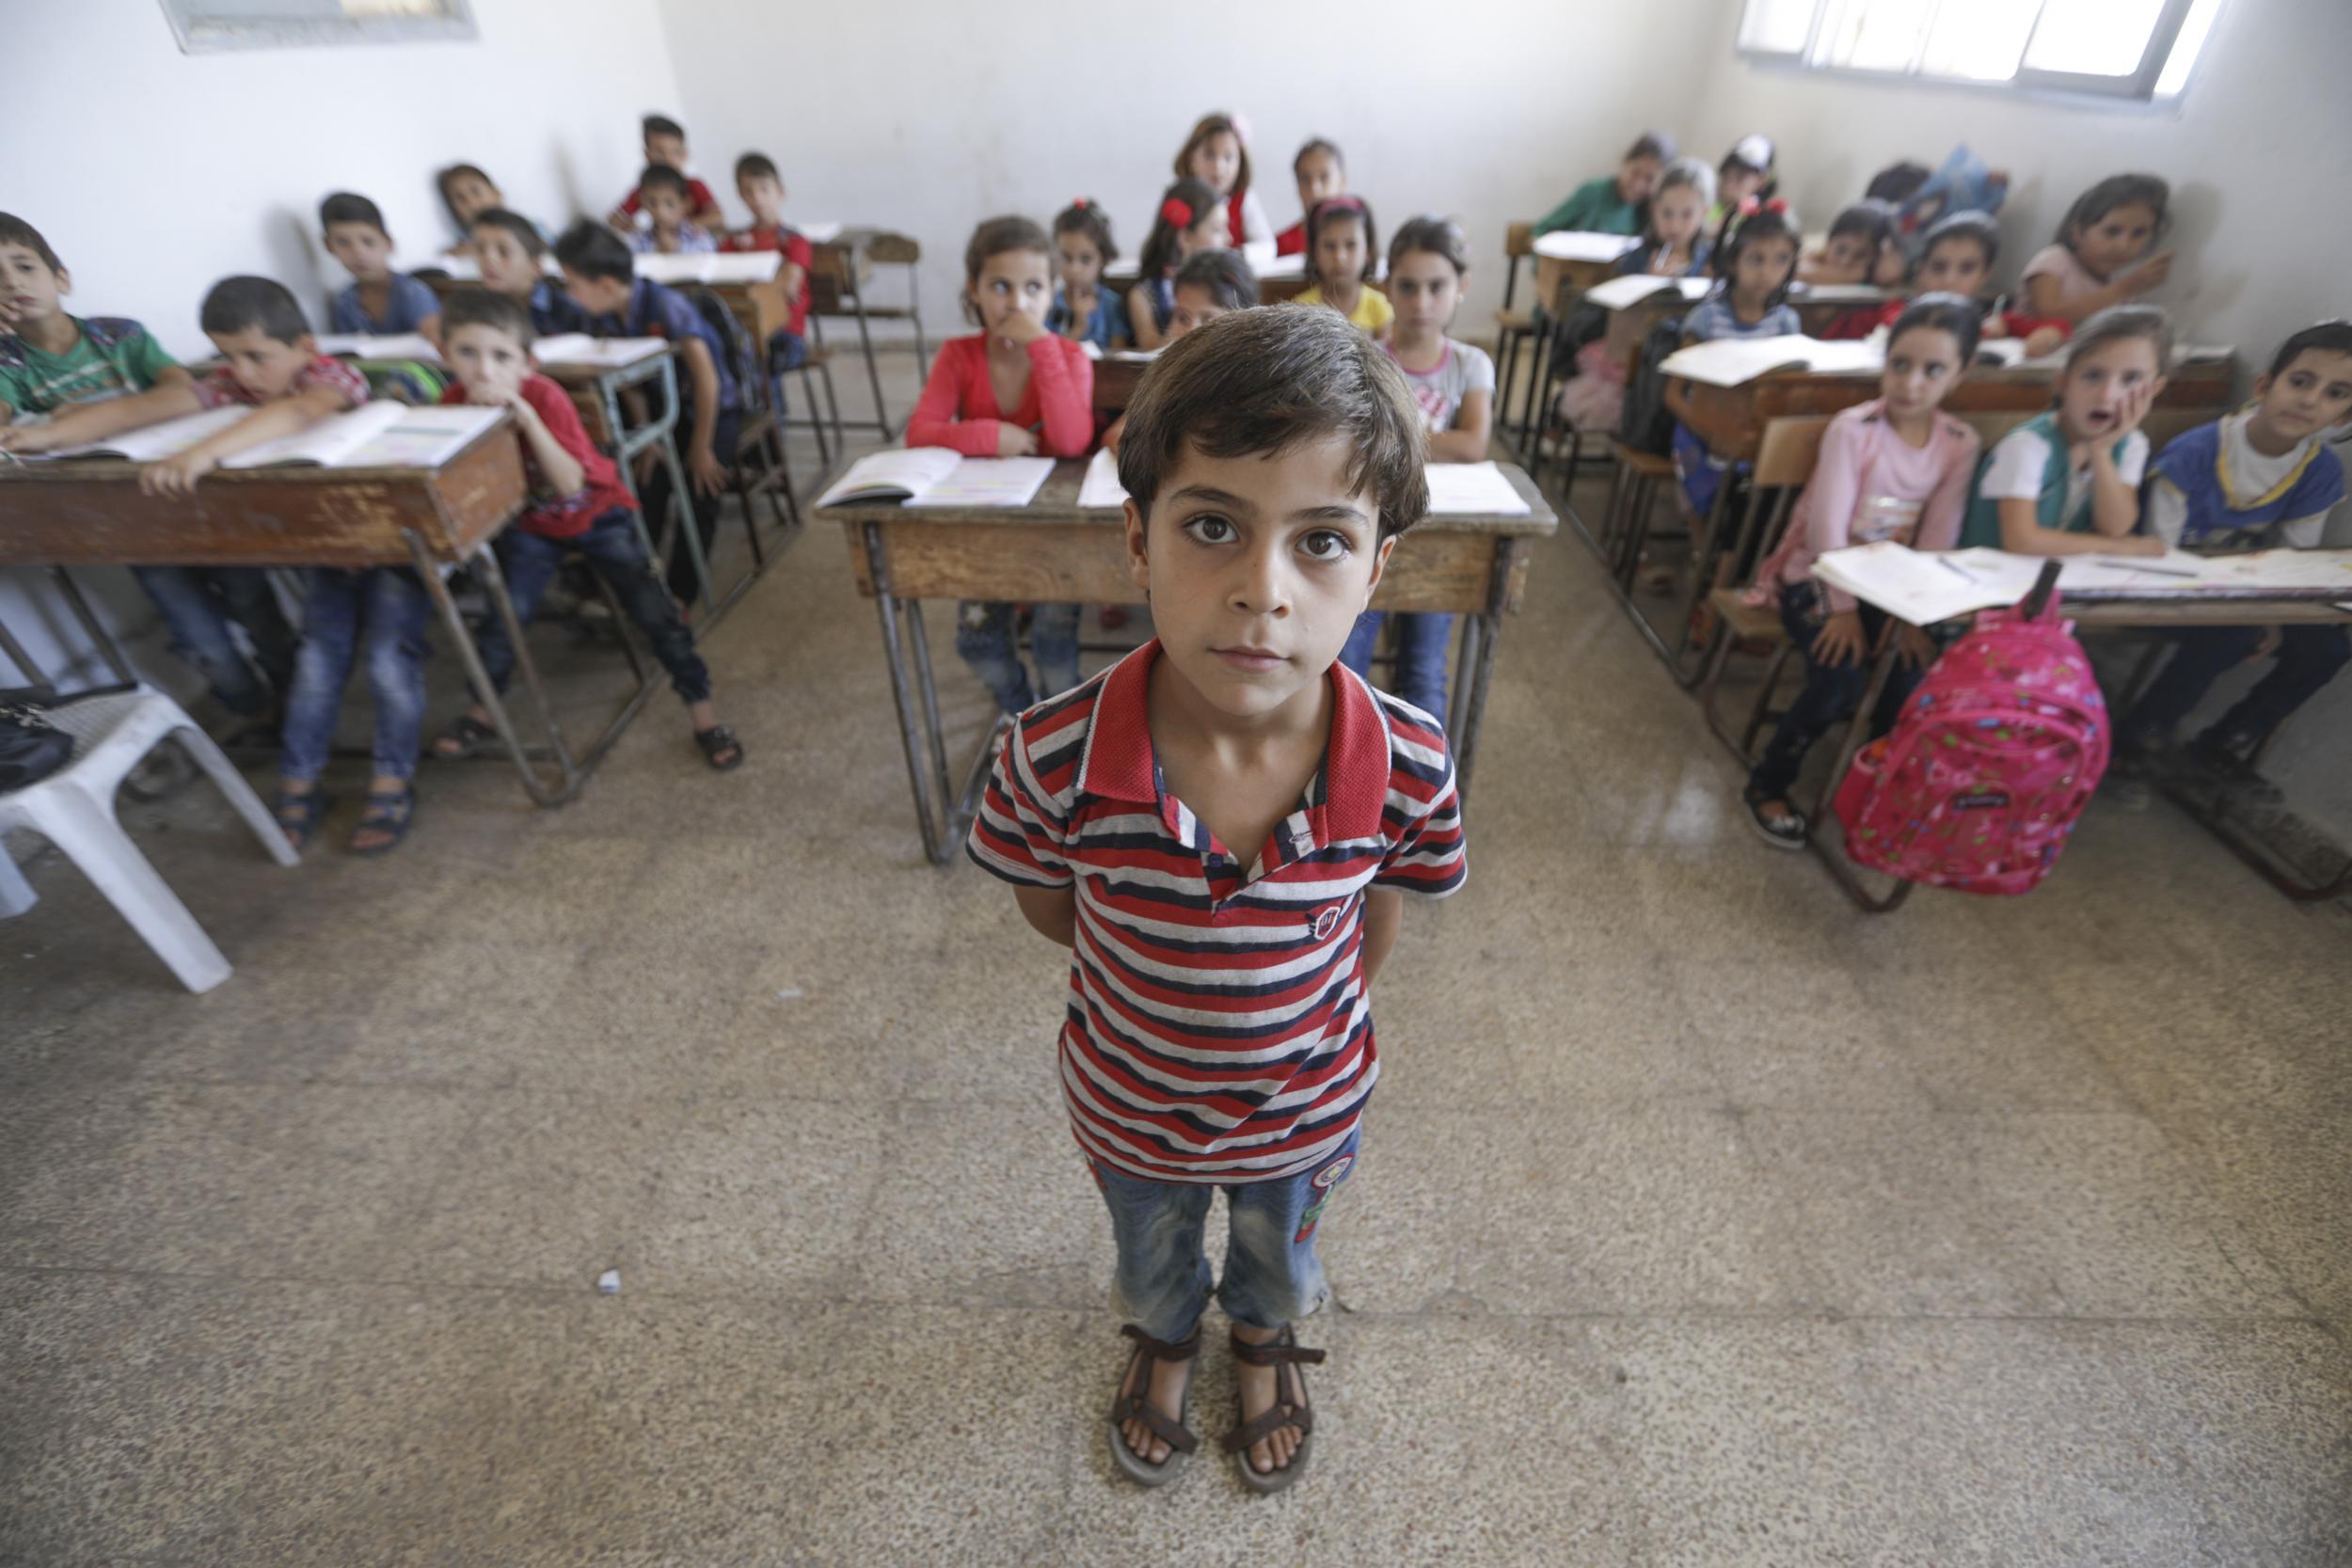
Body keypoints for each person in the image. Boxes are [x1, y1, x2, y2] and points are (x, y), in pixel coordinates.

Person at [965, 305, 1464, 1492]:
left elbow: (1371, 917)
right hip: (1131, 1101)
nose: (1263, 591)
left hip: (1306, 1104)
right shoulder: (1046, 755)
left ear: (1379, 564)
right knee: (1148, 1257)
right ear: (1136, 540)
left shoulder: (1407, 760)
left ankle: (1264, 1340)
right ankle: (1165, 1336)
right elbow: (1054, 903)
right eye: (1211, 526)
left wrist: (1289, 1021)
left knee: (1280, 1254)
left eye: (1321, 541)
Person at [0, 217, 295, 741]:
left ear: (61, 278)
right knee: (197, 633)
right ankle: (253, 712)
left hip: (192, 497)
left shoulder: (119, 335)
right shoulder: (8, 362)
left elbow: (178, 384)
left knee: (253, 603)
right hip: (124, 522)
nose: (12, 283)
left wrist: (84, 417)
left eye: (24, 266)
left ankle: (297, 702)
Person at [431, 289, 743, 772]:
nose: (484, 371)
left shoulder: (545, 397)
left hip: (596, 512)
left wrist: (526, 417)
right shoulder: (452, 404)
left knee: (653, 610)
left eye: (501, 356)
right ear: (445, 356)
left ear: (527, 363)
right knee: (505, 612)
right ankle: (482, 712)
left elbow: (569, 481)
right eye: (467, 354)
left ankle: (705, 714)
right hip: (532, 527)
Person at [1737, 296, 1985, 847]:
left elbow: (1938, 538)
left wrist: (1912, 620)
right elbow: (1827, 532)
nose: (1911, 383)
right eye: (1900, 363)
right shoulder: (1854, 430)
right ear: (1885, 359)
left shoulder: (1958, 444)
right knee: (1839, 681)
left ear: (1960, 374)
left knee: (1908, 681)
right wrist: (1842, 611)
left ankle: (1872, 788)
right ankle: (1769, 781)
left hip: (1896, 593)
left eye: (1933, 369)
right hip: (1818, 580)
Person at [2114, 320, 2352, 786]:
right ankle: (2136, 739)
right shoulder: (2198, 452)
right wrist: (2253, 613)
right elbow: (2159, 552)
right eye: (2301, 381)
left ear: (2344, 416)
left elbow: (2294, 562)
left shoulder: (2320, 472)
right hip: (2154, 581)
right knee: (2229, 634)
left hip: (2240, 596)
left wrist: (2273, 617)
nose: (2309, 400)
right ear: (2266, 385)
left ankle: (2224, 741)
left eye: (2335, 393)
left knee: (2327, 648)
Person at [906, 215, 1094, 715]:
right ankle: (1015, 710)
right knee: (979, 645)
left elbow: (1073, 441)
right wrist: (992, 435)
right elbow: (920, 432)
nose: (1017, 302)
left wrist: (1043, 349)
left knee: (1055, 645)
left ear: (1054, 290)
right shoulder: (958, 356)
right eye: (1000, 286)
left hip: (1055, 531)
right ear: (974, 289)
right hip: (982, 524)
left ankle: (1059, 726)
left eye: (1034, 287)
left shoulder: (1069, 356)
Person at [1340, 216, 1493, 720]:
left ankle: (1424, 792)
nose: (1422, 302)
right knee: (1346, 666)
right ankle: (1348, 780)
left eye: (1437, 287)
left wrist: (1394, 438)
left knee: (1424, 672)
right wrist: (1428, 442)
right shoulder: (1366, 358)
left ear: (1461, 288)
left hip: (1440, 535)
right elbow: (1351, 440)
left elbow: (1473, 443)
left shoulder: (1470, 364)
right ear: (1386, 288)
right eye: (1407, 287)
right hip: (1370, 529)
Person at [553, 219, 739, 605]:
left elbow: (708, 381)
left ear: (605, 285)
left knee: (699, 489)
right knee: (647, 487)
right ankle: (637, 588)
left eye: (573, 285)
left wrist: (702, 447)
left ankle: (681, 595)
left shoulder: (667, 306)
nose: (569, 295)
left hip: (713, 411)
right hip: (662, 411)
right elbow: (629, 380)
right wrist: (647, 436)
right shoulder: (600, 315)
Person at [1959, 304, 2171, 557]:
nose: (2107, 395)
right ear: (2063, 382)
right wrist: (2121, 548)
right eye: (2093, 376)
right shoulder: (2028, 445)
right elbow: (2022, 541)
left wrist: (2100, 452)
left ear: (2154, 390)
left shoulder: (2131, 445)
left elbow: (2116, 527)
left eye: (2131, 379)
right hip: (1989, 584)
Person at [1668, 203, 1802, 521]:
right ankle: (1702, 546)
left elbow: (1785, 395)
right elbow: (1673, 394)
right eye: (1756, 259)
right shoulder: (1706, 320)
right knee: (1712, 473)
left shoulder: (1785, 324)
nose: (1767, 272)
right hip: (1701, 427)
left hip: (1754, 429)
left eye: (1781, 260)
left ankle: (1737, 549)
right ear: (1732, 261)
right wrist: (1709, 432)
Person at [1814, 210, 2064, 356]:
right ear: (1920, 271)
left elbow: (2060, 326)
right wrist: (1982, 333)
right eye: (1938, 267)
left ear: (1984, 275)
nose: (1949, 280)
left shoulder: (1995, 319)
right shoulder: (1900, 309)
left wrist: (2050, 335)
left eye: (1966, 269)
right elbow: (1911, 328)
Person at [1099, 248, 1258, 456]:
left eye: (1209, 318)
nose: (1191, 330)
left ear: (1245, 322)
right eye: (1183, 317)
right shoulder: (1170, 373)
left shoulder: (1254, 382)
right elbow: (1116, 435)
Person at [2018, 173, 2172, 326]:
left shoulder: (2118, 284)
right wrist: (2124, 289)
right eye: (2112, 231)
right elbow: (2047, 316)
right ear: (2078, 232)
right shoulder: (2055, 260)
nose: (2123, 246)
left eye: (2139, 233)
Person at [318, 192, 442, 343]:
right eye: (343, 243)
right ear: (328, 246)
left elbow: (434, 345)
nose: (358, 253)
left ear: (388, 243)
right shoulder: (345, 302)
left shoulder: (414, 294)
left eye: (368, 242)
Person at [1127, 179, 1227, 351]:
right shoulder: (1144, 295)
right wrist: (1182, 316)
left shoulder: (1229, 283)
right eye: (1217, 229)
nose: (1229, 238)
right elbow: (1151, 356)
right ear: (1185, 237)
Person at [1534, 131, 1673, 236]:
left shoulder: (1652, 211)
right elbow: (1541, 231)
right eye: (1635, 172)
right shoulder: (1593, 192)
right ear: (1625, 162)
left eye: (1650, 179)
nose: (1638, 184)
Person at [468, 209, 580, 336]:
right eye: (480, 249)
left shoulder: (568, 310)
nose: (488, 259)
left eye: (503, 252)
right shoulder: (477, 311)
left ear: (535, 267)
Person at [607, 114, 725, 234]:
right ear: (647, 155)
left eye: (675, 152)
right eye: (660, 152)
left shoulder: (694, 186)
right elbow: (615, 219)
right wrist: (640, 231)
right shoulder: (645, 190)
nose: (668, 159)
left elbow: (718, 218)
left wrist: (680, 227)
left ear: (684, 155)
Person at [1294, 197, 1391, 340]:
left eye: (1351, 245)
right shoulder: (1301, 308)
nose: (1339, 257)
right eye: (1329, 246)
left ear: (1368, 251)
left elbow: (1386, 359)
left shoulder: (1378, 308)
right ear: (1314, 252)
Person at [1172, 111, 1268, 255]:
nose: (1219, 166)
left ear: (1240, 162)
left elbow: (1267, 246)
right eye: (1209, 155)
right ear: (1192, 159)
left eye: (1228, 157)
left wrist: (1237, 255)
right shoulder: (1179, 199)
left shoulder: (1245, 198)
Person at [1046, 199, 1129, 351]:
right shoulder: (1048, 304)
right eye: (1066, 257)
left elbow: (1118, 357)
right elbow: (1047, 357)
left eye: (1085, 259)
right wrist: (1078, 328)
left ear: (1102, 259)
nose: (1074, 269)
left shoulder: (1111, 305)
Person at [1613, 157, 1715, 278]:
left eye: (1687, 214)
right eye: (1667, 213)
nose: (1675, 226)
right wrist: (1647, 281)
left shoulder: (1712, 262)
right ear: (1654, 209)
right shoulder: (1635, 260)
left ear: (1704, 213)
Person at [1798, 198, 1903, 289]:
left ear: (1875, 257)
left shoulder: (1874, 278)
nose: (1845, 261)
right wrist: (1855, 275)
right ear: (1829, 241)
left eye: (1860, 256)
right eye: (1840, 250)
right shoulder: (1811, 257)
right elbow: (1798, 273)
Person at [1276, 138, 1344, 258]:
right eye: (1305, 179)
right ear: (1297, 187)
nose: (1314, 189)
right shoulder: (1281, 245)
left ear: (1342, 181)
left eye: (1324, 177)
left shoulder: (1357, 240)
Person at [626, 165, 716, 256]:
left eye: (670, 204)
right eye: (652, 203)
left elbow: (708, 263)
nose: (660, 212)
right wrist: (657, 250)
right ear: (642, 202)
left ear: (686, 204)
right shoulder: (637, 239)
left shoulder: (699, 236)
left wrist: (676, 250)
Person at [1709, 134, 1775, 228]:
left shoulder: (1757, 224)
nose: (1733, 176)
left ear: (1762, 181)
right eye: (1732, 166)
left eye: (1744, 173)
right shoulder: (1705, 203)